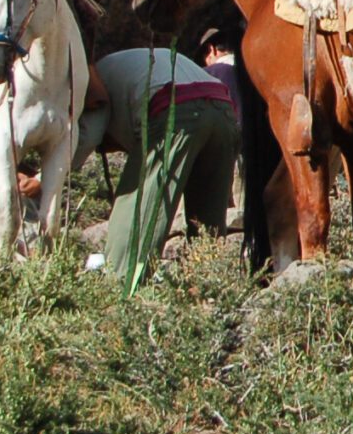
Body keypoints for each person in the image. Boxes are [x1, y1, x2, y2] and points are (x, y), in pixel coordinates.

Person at [78, 45, 240, 288]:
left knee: (136, 205)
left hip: (177, 111)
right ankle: (208, 287)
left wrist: (39, 179)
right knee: (208, 222)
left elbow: (88, 137)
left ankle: (120, 291)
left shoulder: (95, 83)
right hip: (224, 111)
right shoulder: (130, 62)